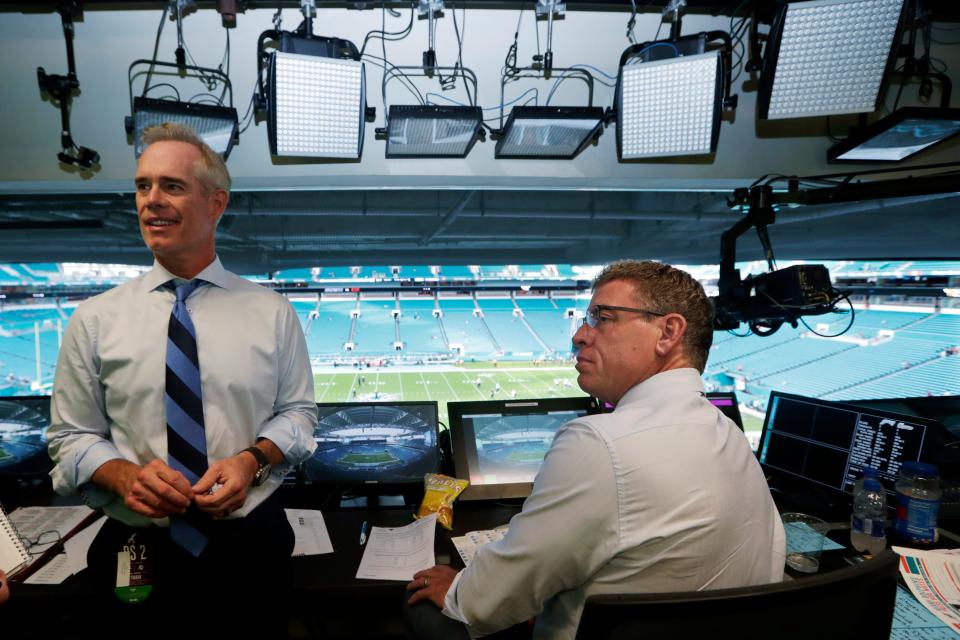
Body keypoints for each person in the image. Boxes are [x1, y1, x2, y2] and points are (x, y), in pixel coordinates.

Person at [406, 260, 785, 639]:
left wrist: (459, 590)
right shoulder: (731, 436)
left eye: (602, 317)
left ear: (668, 332)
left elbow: (488, 599)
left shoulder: (599, 443)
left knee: (427, 613)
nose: (579, 336)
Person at [47, 123, 318, 634]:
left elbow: (299, 415)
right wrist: (124, 476)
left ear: (216, 204)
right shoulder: (95, 319)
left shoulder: (271, 312)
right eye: (143, 186)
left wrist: (250, 460)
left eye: (172, 186)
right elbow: (69, 438)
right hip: (138, 541)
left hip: (250, 540)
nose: (152, 200)